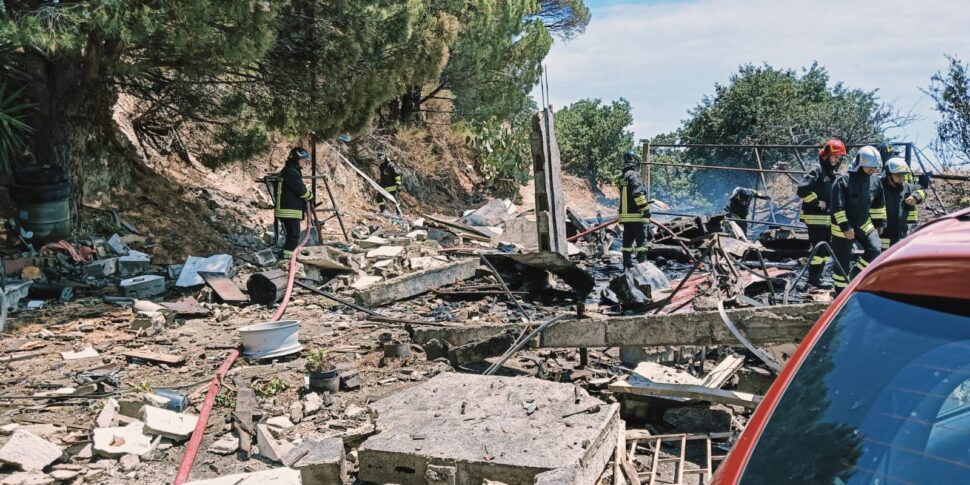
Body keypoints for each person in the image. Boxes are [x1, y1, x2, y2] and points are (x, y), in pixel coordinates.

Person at [829, 145, 885, 295]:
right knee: (842, 264)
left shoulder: (875, 181)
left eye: (874, 168)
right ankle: (840, 294)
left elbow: (879, 204)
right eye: (868, 167)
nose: (871, 170)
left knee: (875, 249)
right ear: (859, 165)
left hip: (864, 223)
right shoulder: (843, 181)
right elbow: (837, 207)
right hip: (843, 226)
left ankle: (855, 276)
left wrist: (880, 223)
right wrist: (845, 227)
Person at [796, 139, 845, 288]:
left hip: (825, 219)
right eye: (834, 157)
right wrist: (817, 202)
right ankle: (814, 280)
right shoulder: (816, 169)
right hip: (815, 217)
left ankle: (817, 278)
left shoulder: (829, 171)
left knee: (823, 250)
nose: (837, 160)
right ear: (827, 155)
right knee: (819, 250)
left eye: (839, 158)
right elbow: (802, 190)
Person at [870, 157, 925, 250]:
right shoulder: (878, 187)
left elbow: (922, 191)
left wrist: (916, 197)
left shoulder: (907, 187)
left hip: (901, 234)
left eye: (903, 175)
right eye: (898, 175)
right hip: (882, 235)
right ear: (888, 175)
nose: (901, 178)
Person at [274, 147, 313, 258]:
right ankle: (288, 259)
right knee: (294, 236)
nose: (304, 163)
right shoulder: (290, 172)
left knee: (292, 236)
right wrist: (310, 196)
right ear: (296, 159)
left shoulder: (291, 170)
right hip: (289, 210)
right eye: (303, 160)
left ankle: (288, 257)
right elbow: (301, 190)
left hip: (288, 209)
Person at [618, 150, 651, 269]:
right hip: (637, 216)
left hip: (626, 217)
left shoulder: (622, 177)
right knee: (641, 244)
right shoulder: (634, 175)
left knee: (627, 243)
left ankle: (627, 266)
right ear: (635, 162)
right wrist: (646, 210)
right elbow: (638, 195)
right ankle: (643, 268)